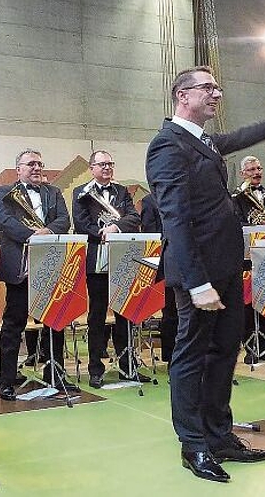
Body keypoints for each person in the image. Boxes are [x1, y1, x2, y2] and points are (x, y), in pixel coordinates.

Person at [145, 65, 265, 482]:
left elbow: (236, 139)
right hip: (200, 273)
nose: (216, 94)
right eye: (208, 88)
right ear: (182, 95)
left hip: (225, 267)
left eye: (217, 87)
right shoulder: (167, 145)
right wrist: (196, 282)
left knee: (225, 351)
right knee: (190, 355)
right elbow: (175, 219)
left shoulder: (202, 141)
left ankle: (220, 435)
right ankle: (193, 445)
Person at [0, 149, 77, 401]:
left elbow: (64, 219)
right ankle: (6, 380)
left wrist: (47, 232)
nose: (36, 168)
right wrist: (30, 236)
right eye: (30, 164)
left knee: (55, 322)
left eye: (40, 164)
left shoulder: (54, 193)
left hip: (50, 264)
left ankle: (56, 374)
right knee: (13, 324)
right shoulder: (5, 192)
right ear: (18, 169)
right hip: (20, 266)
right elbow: (4, 220)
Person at [72, 150, 147, 388]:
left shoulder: (121, 191)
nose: (107, 168)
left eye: (110, 164)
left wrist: (115, 228)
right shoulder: (80, 193)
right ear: (92, 168)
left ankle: (128, 366)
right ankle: (96, 368)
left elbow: (134, 217)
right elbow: (81, 223)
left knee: (124, 314)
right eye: (102, 164)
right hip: (96, 259)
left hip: (121, 258)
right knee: (97, 315)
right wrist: (101, 233)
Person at [234, 156, 265, 364]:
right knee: (247, 303)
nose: (256, 172)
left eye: (259, 168)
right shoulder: (235, 198)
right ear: (242, 174)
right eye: (251, 169)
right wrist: (261, 229)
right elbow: (236, 223)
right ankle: (251, 346)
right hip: (246, 256)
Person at [140, 192, 177, 364]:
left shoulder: (184, 196)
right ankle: (170, 357)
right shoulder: (149, 201)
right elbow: (150, 232)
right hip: (167, 263)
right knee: (170, 313)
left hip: (190, 262)